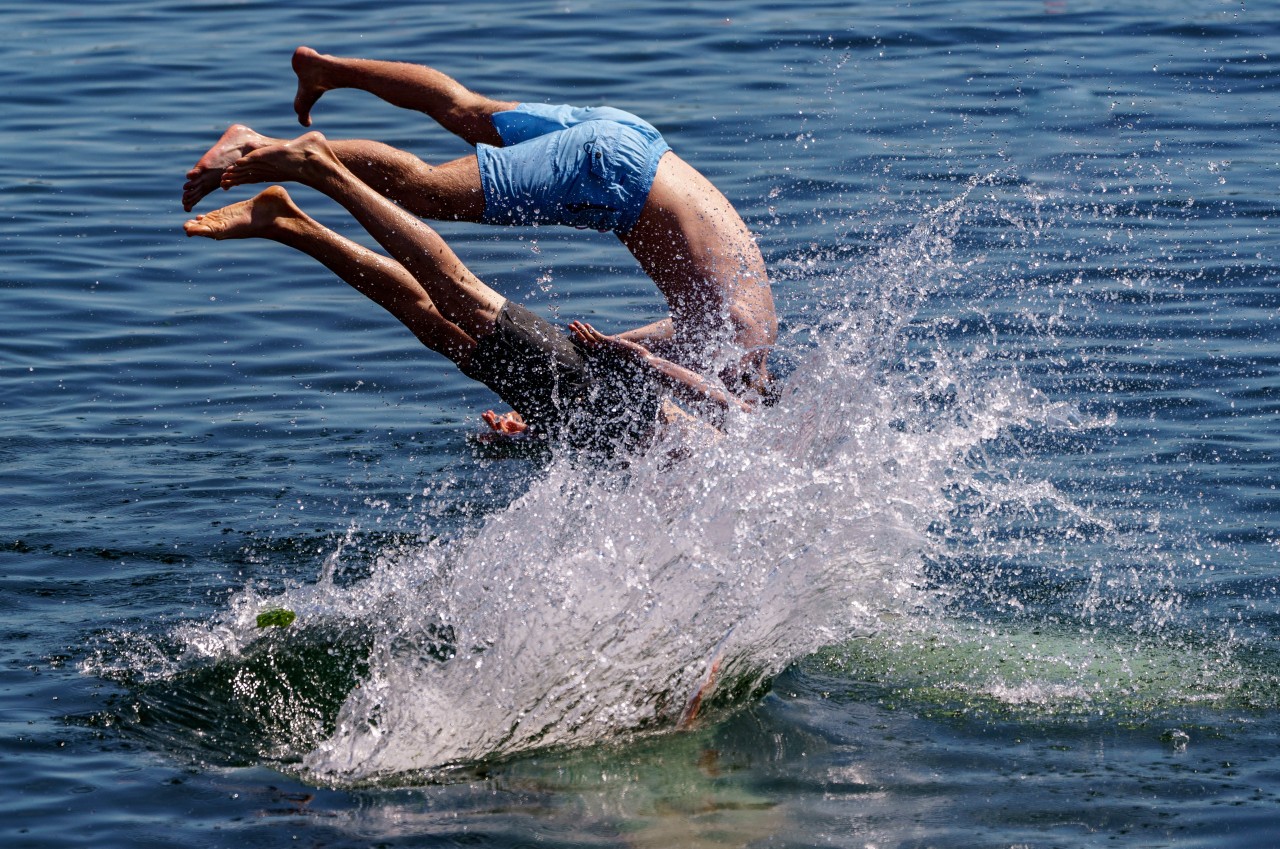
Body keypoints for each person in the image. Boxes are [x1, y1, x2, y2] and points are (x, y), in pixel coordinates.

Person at [183, 47, 777, 402]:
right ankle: (265, 148)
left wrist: (608, 347)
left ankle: (326, 71)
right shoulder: (743, 344)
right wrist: (644, 365)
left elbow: (656, 345)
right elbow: (706, 388)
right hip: (612, 180)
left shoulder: (737, 325)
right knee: (424, 191)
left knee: (461, 109)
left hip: (634, 141)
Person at [183, 133, 750, 451]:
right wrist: (642, 356)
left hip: (568, 416)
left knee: (437, 328)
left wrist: (529, 437)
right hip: (594, 387)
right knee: (461, 297)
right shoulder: (749, 456)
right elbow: (721, 399)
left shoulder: (716, 526)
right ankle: (321, 168)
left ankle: (286, 223)